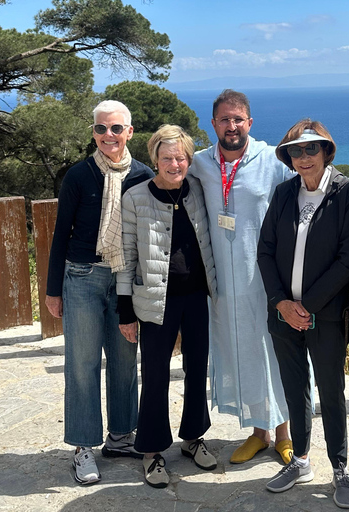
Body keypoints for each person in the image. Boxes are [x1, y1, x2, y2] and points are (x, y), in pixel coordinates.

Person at [45, 100, 154, 484]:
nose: (108, 136)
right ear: (93, 133)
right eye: (101, 129)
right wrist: (52, 289)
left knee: (125, 361)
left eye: (116, 128)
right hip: (83, 277)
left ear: (129, 131)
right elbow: (61, 235)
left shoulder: (144, 176)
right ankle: (83, 446)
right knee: (82, 363)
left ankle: (122, 436)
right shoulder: (78, 176)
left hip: (126, 279)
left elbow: (150, 236)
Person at [257, 120, 349, 509]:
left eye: (311, 150)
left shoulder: (346, 193)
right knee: (294, 389)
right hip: (284, 316)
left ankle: (340, 467)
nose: (304, 158)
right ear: (289, 158)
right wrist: (282, 304)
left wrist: (308, 306)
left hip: (326, 315)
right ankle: (300, 459)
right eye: (296, 152)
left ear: (326, 152)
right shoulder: (284, 193)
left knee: (331, 392)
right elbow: (265, 250)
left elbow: (347, 259)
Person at [187, 89, 294, 464]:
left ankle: (285, 433)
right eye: (224, 119)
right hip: (223, 287)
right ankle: (258, 433)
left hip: (265, 281)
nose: (231, 126)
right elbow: (165, 177)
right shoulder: (199, 163)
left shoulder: (272, 162)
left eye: (238, 119)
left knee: (274, 354)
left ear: (250, 123)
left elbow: (313, 186)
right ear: (212, 124)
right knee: (243, 356)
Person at [116, 124, 218, 488]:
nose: (174, 164)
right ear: (155, 159)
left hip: (196, 297)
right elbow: (126, 257)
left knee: (197, 369)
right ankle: (152, 450)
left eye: (180, 157)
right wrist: (125, 312)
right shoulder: (135, 197)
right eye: (166, 157)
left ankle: (193, 437)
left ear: (189, 159)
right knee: (156, 376)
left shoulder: (200, 191)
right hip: (155, 301)